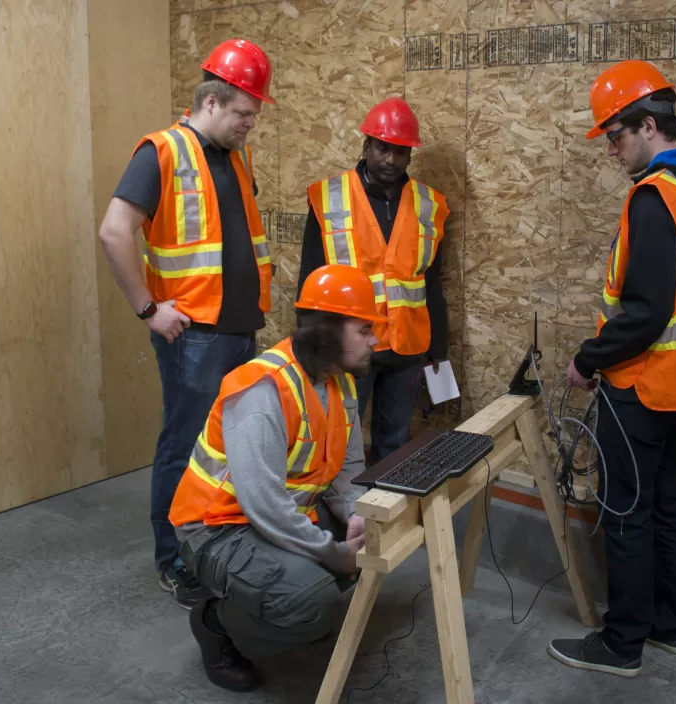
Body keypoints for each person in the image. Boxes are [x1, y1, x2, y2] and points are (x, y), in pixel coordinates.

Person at [549, 60, 676, 677]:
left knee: (626, 511)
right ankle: (669, 626)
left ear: (649, 125)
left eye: (615, 133)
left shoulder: (657, 197)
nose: (610, 147)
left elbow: (647, 313)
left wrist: (586, 359)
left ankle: (622, 643)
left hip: (641, 380)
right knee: (668, 501)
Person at [97, 38, 276, 609]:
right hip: (192, 335)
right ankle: (173, 560)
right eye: (244, 114)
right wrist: (150, 309)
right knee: (184, 444)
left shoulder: (232, 156)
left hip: (238, 330)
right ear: (212, 102)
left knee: (228, 447)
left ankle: (215, 547)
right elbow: (114, 231)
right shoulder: (162, 151)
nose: (250, 124)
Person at [168, 264, 381, 692]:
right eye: (364, 329)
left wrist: (358, 516)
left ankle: (288, 596)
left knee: (365, 548)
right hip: (215, 529)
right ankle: (215, 625)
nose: (375, 340)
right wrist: (332, 553)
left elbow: (348, 472)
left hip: (268, 520)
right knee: (314, 598)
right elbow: (262, 502)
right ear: (328, 331)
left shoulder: (341, 386)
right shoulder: (262, 388)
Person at [297, 97, 450, 464]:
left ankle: (387, 519)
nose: (391, 160)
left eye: (401, 152)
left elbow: (433, 284)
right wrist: (312, 347)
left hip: (407, 347)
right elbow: (310, 280)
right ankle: (341, 518)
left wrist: (439, 353)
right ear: (366, 145)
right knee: (339, 440)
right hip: (350, 345)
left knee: (394, 444)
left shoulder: (429, 204)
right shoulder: (329, 198)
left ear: (410, 156)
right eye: (383, 148)